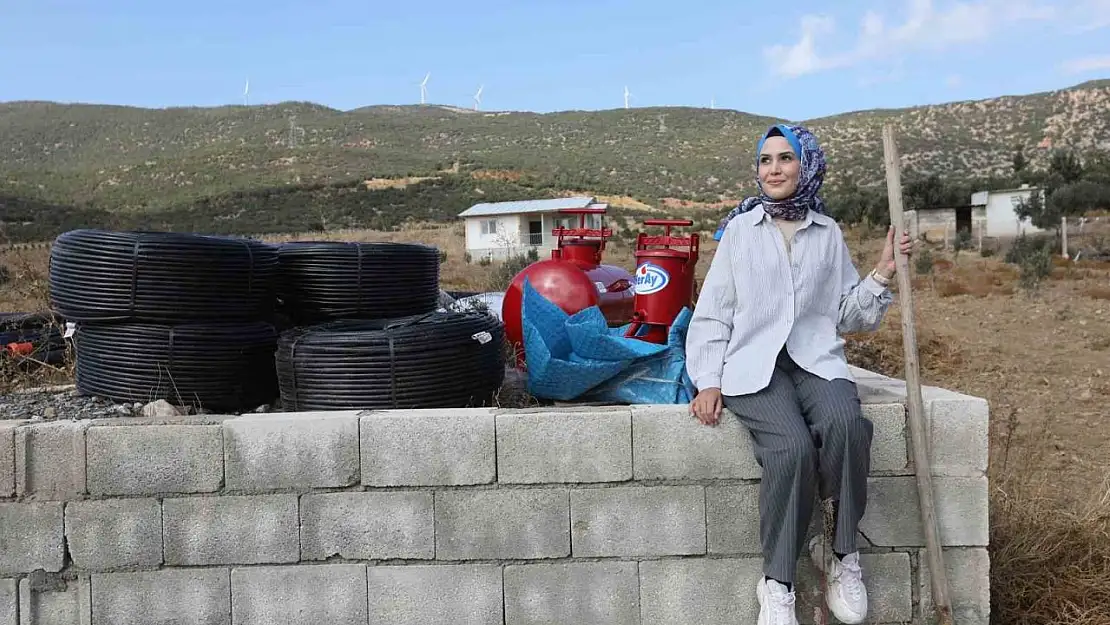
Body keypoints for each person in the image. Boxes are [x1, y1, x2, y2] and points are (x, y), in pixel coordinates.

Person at [684, 123, 913, 625]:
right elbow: (714, 310)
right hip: (753, 364)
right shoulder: (741, 232)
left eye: (785, 159)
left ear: (806, 166)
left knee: (846, 427)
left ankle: (840, 552)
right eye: (765, 161)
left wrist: (882, 273)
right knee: (789, 450)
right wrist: (707, 379)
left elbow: (849, 316)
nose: (773, 169)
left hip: (814, 358)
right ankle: (777, 581)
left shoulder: (827, 233)